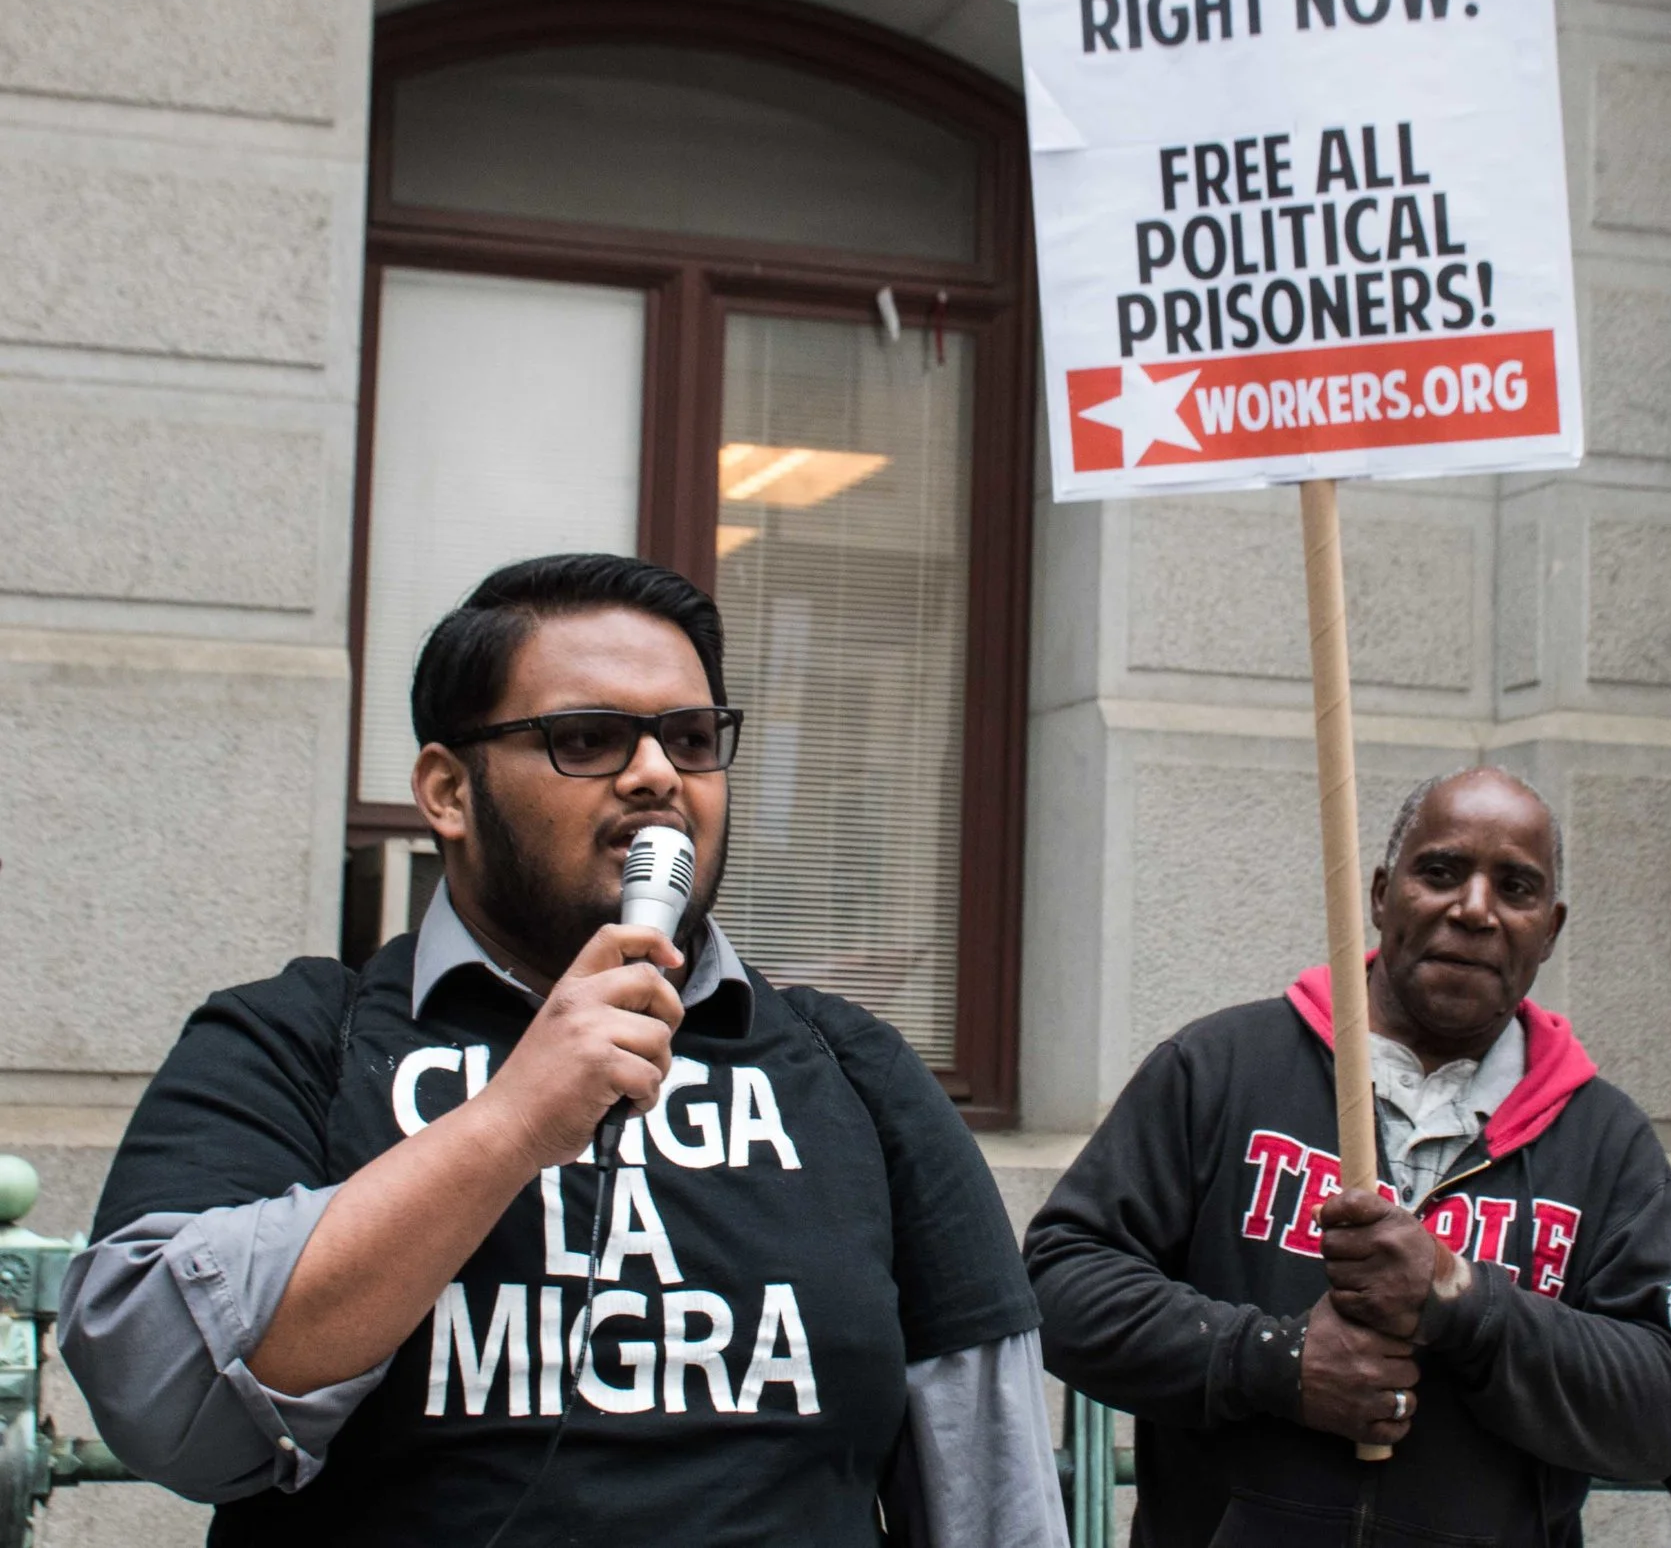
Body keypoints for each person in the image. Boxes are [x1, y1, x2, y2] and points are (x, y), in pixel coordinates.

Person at [58, 554, 1064, 1547]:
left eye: (691, 738)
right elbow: (160, 1400)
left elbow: (988, 1481)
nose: (657, 774)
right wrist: (511, 1120)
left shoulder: (855, 1072)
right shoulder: (295, 1042)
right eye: (587, 738)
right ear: (448, 791)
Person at [1024, 766, 1671, 1547]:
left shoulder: (1607, 1146)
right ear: (1382, 894)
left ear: (1550, 929)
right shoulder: (1220, 1070)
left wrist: (1463, 1302)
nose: (1474, 909)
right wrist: (1276, 1362)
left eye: (1515, 888)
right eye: (1441, 872)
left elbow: (1666, 1412)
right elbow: (1058, 1285)